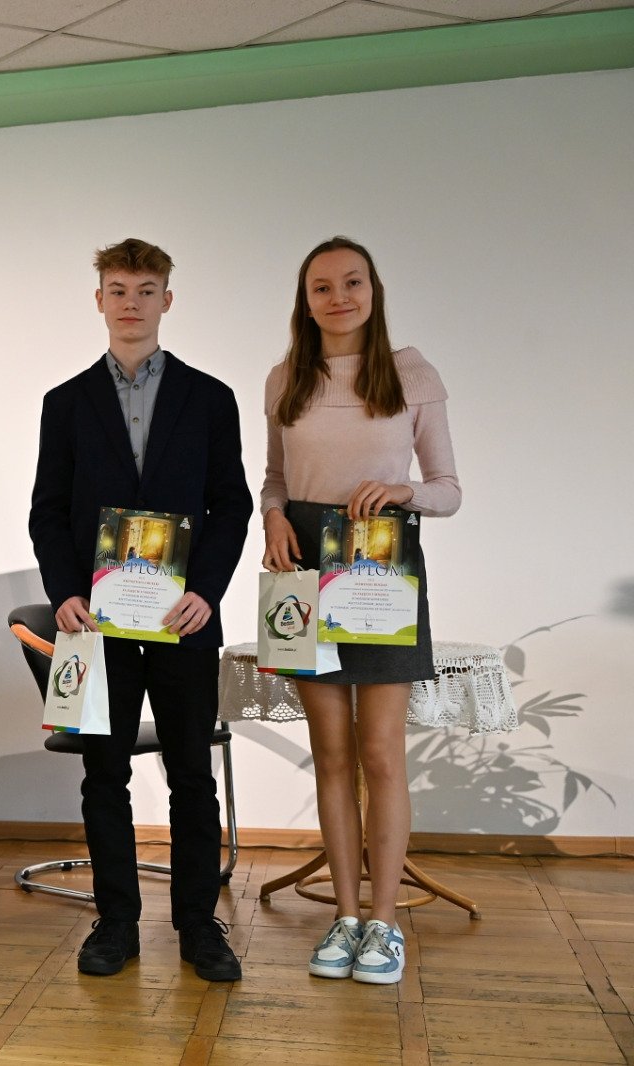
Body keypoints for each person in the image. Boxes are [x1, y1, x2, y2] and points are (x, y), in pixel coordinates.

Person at [29, 238, 251, 982]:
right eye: (118, 290)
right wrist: (65, 591)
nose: (131, 303)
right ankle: (116, 922)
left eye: (145, 290)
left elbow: (232, 506)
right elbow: (47, 511)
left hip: (185, 620)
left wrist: (206, 591)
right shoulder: (65, 404)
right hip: (97, 628)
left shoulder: (210, 398)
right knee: (104, 777)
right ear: (99, 301)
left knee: (192, 776)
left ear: (167, 300)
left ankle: (199, 925)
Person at [261, 236, 460, 985]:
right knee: (332, 757)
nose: (338, 297)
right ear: (305, 300)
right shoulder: (285, 377)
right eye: (322, 287)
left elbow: (448, 488)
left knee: (380, 754)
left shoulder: (412, 373)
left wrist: (404, 491)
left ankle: (384, 922)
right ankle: (344, 918)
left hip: (381, 566)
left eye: (352, 283)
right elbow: (274, 478)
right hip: (303, 567)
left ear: (373, 291)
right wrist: (272, 519)